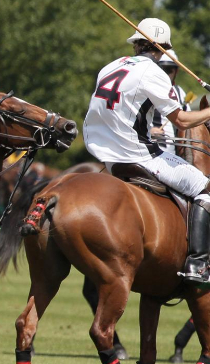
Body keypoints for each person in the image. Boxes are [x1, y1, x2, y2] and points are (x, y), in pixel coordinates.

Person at [83, 18, 210, 285]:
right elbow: (182, 121)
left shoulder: (111, 66)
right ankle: (198, 263)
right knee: (205, 188)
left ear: (137, 44)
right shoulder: (154, 73)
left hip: (108, 157)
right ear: (163, 49)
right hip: (140, 155)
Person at [148, 50, 189, 153]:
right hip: (151, 150)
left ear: (176, 71)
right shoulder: (147, 89)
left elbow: (188, 122)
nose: (165, 75)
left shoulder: (180, 92)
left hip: (176, 153)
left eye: (168, 70)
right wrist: (149, 131)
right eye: (162, 70)